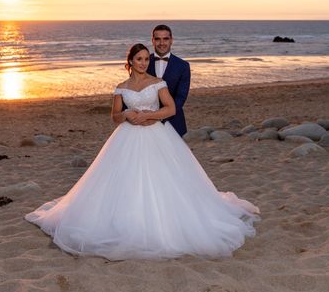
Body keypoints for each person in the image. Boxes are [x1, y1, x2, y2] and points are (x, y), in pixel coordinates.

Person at [25, 43, 259, 261]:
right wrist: (127, 115)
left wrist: (148, 115)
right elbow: (115, 116)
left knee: (164, 178)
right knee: (123, 180)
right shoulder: (121, 88)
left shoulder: (158, 83)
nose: (143, 62)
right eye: (139, 59)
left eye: (146, 59)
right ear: (130, 61)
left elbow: (170, 108)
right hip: (127, 136)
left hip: (156, 135)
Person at [147, 24, 190, 136]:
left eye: (165, 39)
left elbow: (180, 98)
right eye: (158, 39)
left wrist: (160, 116)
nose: (162, 43)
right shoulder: (142, 63)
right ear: (152, 40)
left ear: (171, 40)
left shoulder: (183, 66)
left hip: (173, 123)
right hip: (146, 123)